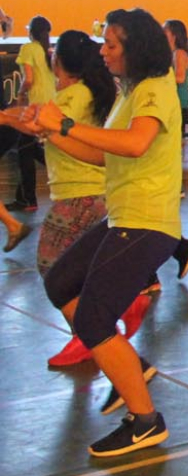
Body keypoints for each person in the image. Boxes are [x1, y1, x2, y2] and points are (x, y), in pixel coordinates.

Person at [33, 9, 184, 457]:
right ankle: (126, 364)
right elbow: (105, 156)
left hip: (147, 221)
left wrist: (63, 123)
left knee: (93, 320)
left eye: (112, 45)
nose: (104, 52)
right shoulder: (130, 93)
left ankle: (145, 421)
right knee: (60, 283)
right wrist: (50, 133)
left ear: (135, 48)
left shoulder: (155, 88)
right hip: (121, 217)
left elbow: (135, 143)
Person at [1, 31, 119, 365]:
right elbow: (36, 115)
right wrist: (12, 115)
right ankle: (92, 331)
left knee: (51, 267)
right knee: (74, 269)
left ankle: (91, 335)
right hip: (91, 193)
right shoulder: (80, 92)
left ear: (59, 61)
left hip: (79, 196)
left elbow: (38, 124)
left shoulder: (74, 95)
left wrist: (5, 117)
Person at [11, 14, 55, 212]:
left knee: (24, 148)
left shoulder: (28, 48)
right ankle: (26, 198)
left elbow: (28, 79)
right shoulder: (49, 52)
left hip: (36, 106)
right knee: (28, 148)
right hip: (51, 104)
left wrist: (20, 95)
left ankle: (28, 199)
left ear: (31, 32)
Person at [164, 19, 188, 137]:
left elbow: (180, 78)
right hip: (174, 102)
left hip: (178, 103)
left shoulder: (179, 53)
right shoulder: (172, 53)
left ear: (174, 35)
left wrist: (159, 79)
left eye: (165, 30)